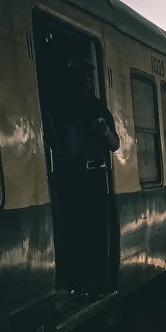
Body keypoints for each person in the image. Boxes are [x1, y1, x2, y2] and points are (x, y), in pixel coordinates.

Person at [48, 57, 120, 300]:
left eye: (89, 77)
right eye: (81, 76)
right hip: (70, 176)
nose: (86, 81)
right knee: (74, 233)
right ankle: (77, 284)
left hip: (94, 175)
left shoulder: (97, 107)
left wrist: (105, 131)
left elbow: (115, 144)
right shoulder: (59, 107)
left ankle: (95, 283)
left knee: (95, 233)